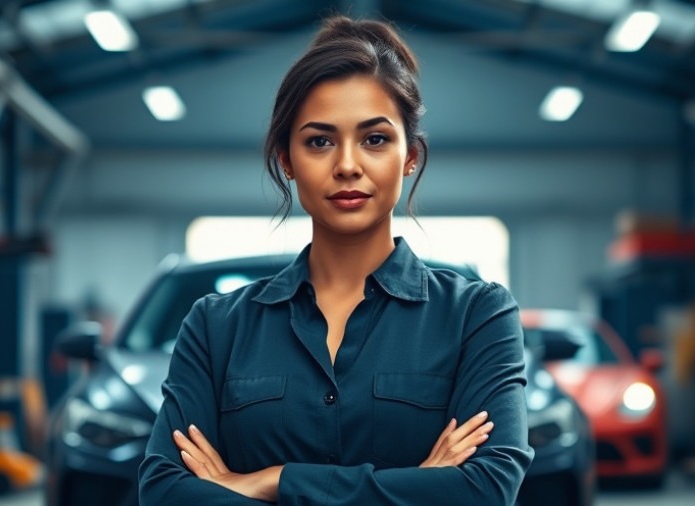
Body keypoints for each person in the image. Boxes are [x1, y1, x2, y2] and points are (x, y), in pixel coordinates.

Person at [138, 15, 533, 505]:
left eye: (375, 139)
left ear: (410, 156)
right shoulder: (215, 327)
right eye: (319, 141)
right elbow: (164, 492)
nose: (347, 165)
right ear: (287, 160)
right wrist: (420, 485)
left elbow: (485, 490)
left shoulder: (477, 316)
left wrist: (272, 481)